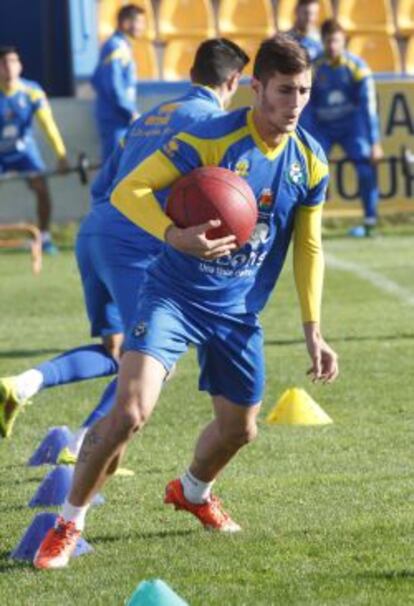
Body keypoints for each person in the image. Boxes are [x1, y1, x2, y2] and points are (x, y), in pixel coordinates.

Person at [33, 34, 339, 570]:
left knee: (240, 430)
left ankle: (193, 491)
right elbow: (130, 190)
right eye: (284, 90)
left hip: (237, 311)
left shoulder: (309, 163)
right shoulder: (212, 136)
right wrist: (174, 236)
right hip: (172, 294)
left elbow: (309, 244)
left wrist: (314, 327)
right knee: (129, 413)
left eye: (305, 92)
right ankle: (68, 522)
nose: (295, 104)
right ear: (255, 87)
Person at [0, 39, 249, 458]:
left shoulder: (151, 116)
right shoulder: (212, 122)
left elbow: (105, 184)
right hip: (135, 246)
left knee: (116, 350)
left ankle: (23, 384)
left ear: (190, 74)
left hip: (94, 232)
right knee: (155, 361)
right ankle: (83, 445)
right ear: (235, 81)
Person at [305, 19, 384, 237]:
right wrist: (305, 139)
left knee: (366, 169)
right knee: (311, 174)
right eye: (328, 41)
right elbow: (306, 106)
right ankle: (308, 225)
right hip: (323, 129)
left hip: (351, 129)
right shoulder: (314, 67)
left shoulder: (358, 68)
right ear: (322, 41)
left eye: (336, 41)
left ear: (344, 41)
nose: (332, 45)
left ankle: (369, 223)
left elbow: (369, 107)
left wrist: (374, 142)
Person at [0, 46, 68, 254]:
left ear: (20, 65)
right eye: (3, 63)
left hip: (24, 152)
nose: (8, 67)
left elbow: (48, 124)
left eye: (13, 61)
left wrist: (61, 154)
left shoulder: (32, 91)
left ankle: (45, 237)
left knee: (41, 189)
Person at [91, 4, 146, 161]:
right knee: (114, 168)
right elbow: (113, 85)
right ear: (125, 22)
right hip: (115, 119)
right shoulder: (115, 46)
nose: (142, 27)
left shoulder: (122, 46)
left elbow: (95, 79)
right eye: (140, 22)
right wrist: (131, 111)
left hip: (119, 118)